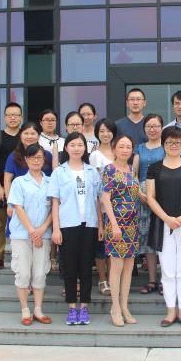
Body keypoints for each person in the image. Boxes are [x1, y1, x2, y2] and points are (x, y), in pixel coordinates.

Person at [147, 127, 181, 328]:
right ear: (163, 144)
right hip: (163, 225)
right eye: (169, 142)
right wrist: (167, 218)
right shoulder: (154, 168)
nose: (173, 145)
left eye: (177, 142)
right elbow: (150, 197)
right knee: (168, 271)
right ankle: (170, 311)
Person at [49, 132, 102, 326]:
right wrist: (56, 228)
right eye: (72, 145)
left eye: (80, 145)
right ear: (66, 148)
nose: (76, 148)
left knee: (86, 267)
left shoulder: (92, 171)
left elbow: (98, 200)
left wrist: (101, 224)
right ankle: (72, 307)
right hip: (67, 224)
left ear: (85, 148)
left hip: (89, 225)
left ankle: (84, 307)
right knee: (70, 267)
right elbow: (55, 202)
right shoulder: (59, 172)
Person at [7, 144, 53, 325]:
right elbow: (18, 208)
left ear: (44, 160)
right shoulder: (19, 182)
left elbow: (55, 208)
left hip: (44, 233)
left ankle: (38, 309)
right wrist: (33, 232)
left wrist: (42, 229)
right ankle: (25, 309)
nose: (36, 160)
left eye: (39, 157)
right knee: (23, 273)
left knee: (40, 273)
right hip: (22, 234)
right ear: (26, 160)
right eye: (32, 157)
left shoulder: (50, 182)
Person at [100, 135, 140, 326]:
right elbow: (105, 198)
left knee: (129, 268)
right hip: (116, 225)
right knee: (116, 267)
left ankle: (125, 306)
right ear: (114, 149)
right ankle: (115, 307)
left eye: (128, 147)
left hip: (132, 225)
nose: (125, 150)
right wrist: (114, 224)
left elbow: (137, 194)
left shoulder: (132, 169)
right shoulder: (109, 169)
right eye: (121, 146)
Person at [0, 102, 22, 271]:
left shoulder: (25, 136)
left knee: (21, 223)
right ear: (5, 117)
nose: (13, 118)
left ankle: (19, 257)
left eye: (16, 115)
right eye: (10, 115)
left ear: (21, 117)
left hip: (21, 187)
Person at [133, 114, 165, 295]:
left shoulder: (166, 147)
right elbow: (134, 174)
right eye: (149, 126)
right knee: (148, 240)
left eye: (156, 126)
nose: (152, 129)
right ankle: (152, 280)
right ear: (144, 129)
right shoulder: (140, 148)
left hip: (163, 195)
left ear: (161, 127)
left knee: (164, 239)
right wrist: (139, 193)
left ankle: (165, 281)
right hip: (143, 197)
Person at [89, 118, 117, 295]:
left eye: (108, 130)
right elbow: (94, 185)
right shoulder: (95, 155)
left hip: (120, 206)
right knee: (101, 245)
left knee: (114, 246)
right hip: (101, 206)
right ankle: (102, 279)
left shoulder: (118, 151)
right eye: (102, 131)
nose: (106, 134)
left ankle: (113, 278)